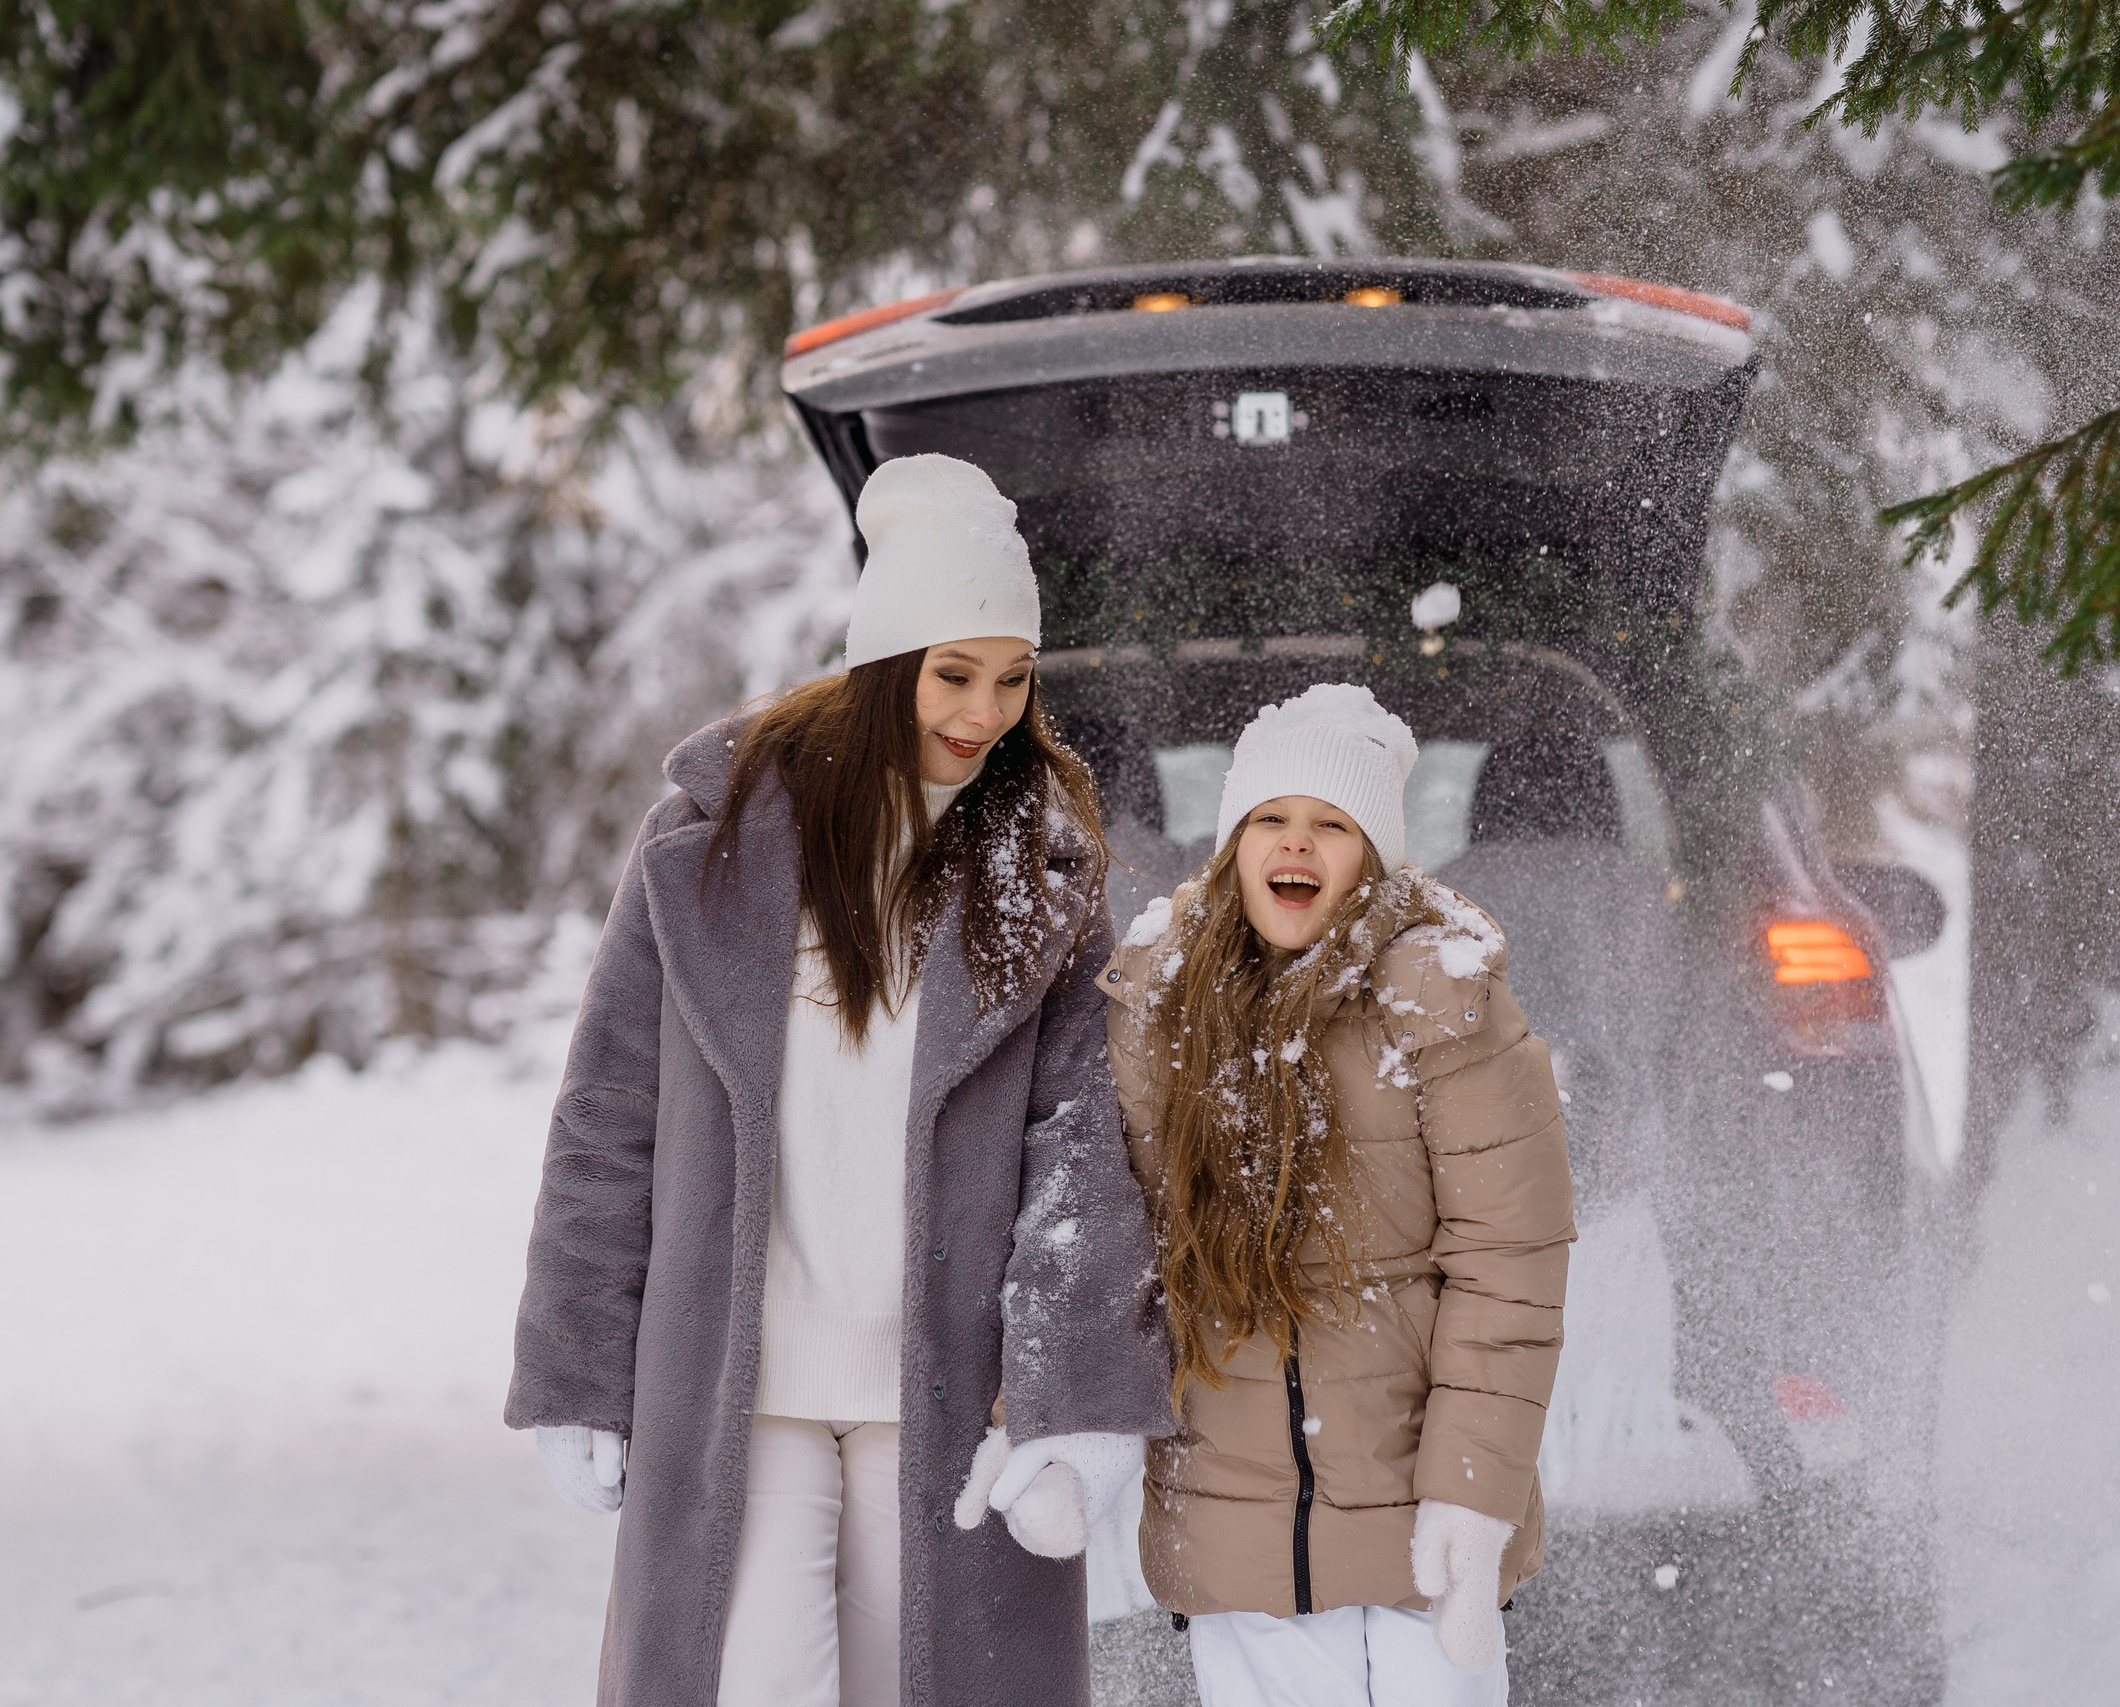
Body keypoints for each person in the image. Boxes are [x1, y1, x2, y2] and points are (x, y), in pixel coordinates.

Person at [506, 452, 1172, 1707]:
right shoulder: (710, 845)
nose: (984, 712)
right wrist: (576, 1363)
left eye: (1013, 679)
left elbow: (1082, 1146)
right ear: (884, 666)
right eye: (953, 675)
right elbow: (608, 1114)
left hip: (950, 1386)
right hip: (734, 1379)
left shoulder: (1044, 871)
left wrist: (1074, 1392)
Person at [1094, 683, 1574, 1707]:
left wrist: (1472, 1492)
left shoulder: (1444, 1005)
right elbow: (1116, 1241)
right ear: (1233, 842)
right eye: (1270, 819)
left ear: (1374, 856)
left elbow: (1509, 1269)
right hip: (1232, 1517)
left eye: (1330, 825)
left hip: (1419, 1509)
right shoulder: (1159, 1008)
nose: (1295, 845)